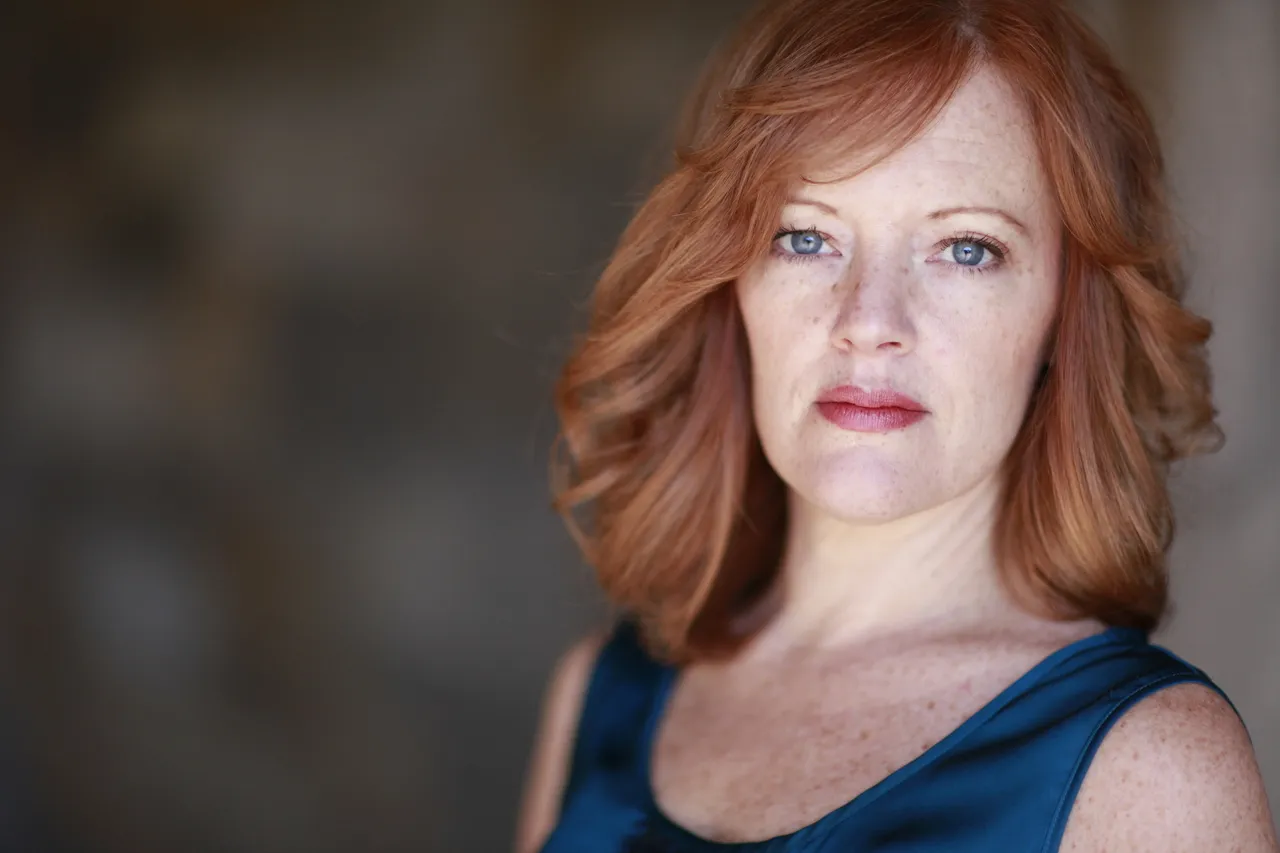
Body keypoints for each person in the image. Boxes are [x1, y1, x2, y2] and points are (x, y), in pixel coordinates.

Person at [516, 1, 1278, 851]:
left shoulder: (1155, 771)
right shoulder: (599, 693)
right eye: (805, 238)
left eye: (966, 249)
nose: (869, 321)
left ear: (1065, 314)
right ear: (727, 280)